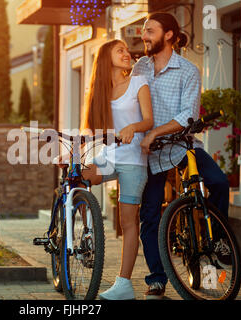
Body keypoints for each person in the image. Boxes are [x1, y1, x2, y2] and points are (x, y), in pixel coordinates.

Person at [131, 12, 230, 300]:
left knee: (220, 182)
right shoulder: (140, 68)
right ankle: (157, 279)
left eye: (150, 30)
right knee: (149, 215)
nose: (144, 35)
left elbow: (188, 115)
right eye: (144, 30)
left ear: (169, 35)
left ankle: (218, 240)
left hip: (183, 145)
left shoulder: (188, 70)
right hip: (150, 152)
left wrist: (155, 132)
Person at [57, 39, 154, 300]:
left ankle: (124, 284)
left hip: (133, 159)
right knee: (78, 176)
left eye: (126, 50)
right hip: (108, 155)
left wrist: (133, 128)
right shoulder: (98, 92)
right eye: (119, 50)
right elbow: (87, 130)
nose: (126, 54)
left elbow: (149, 120)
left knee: (127, 221)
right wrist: (71, 151)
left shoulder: (138, 82)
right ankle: (87, 232)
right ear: (105, 58)